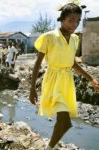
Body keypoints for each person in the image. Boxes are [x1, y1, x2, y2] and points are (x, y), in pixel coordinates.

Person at [29, 3, 99, 150]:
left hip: (66, 82)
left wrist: (91, 79)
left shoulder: (74, 39)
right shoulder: (49, 37)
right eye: (71, 20)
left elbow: (72, 63)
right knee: (65, 120)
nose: (74, 24)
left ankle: (50, 147)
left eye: (78, 21)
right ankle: (50, 147)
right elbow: (37, 64)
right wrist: (32, 88)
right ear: (62, 19)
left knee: (65, 123)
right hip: (53, 80)